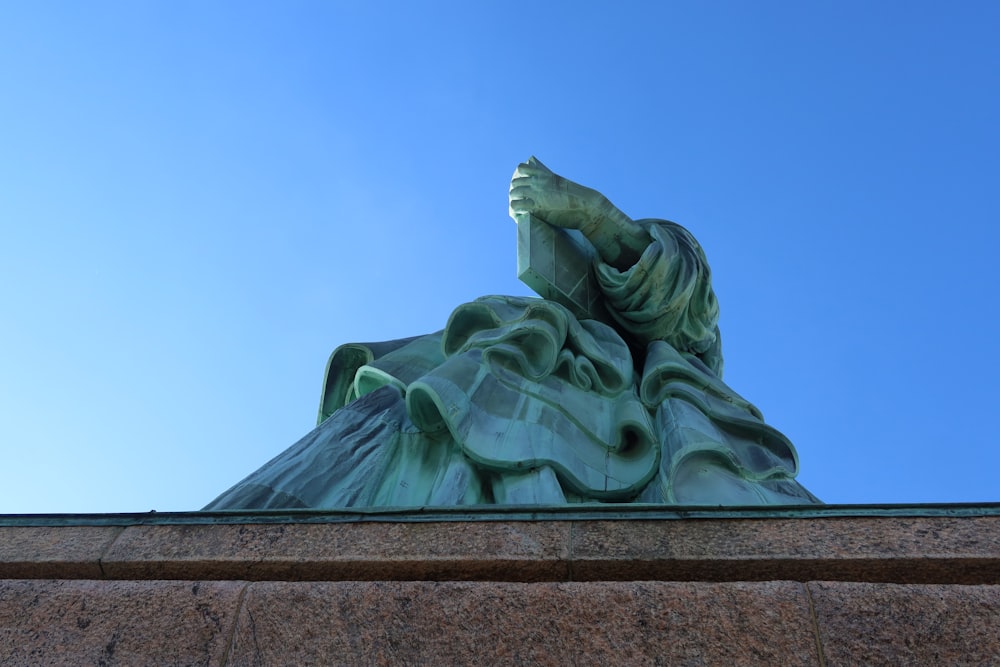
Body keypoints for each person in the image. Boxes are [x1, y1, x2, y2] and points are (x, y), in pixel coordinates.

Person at [204, 158, 820, 509]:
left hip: (607, 423)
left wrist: (592, 214)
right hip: (494, 372)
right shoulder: (525, 329)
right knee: (393, 411)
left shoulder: (678, 351)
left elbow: (676, 290)